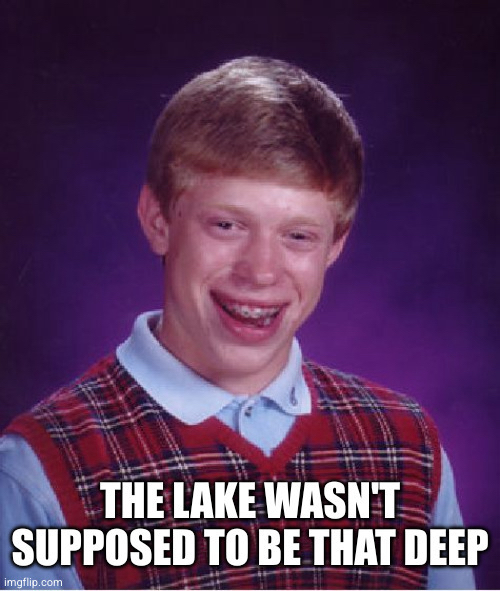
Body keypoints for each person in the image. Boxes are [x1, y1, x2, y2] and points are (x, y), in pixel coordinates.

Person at [0, 56, 474, 590]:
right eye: (227, 225)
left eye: (298, 236)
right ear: (158, 221)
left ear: (335, 246)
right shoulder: (40, 472)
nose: (261, 271)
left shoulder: (408, 448)